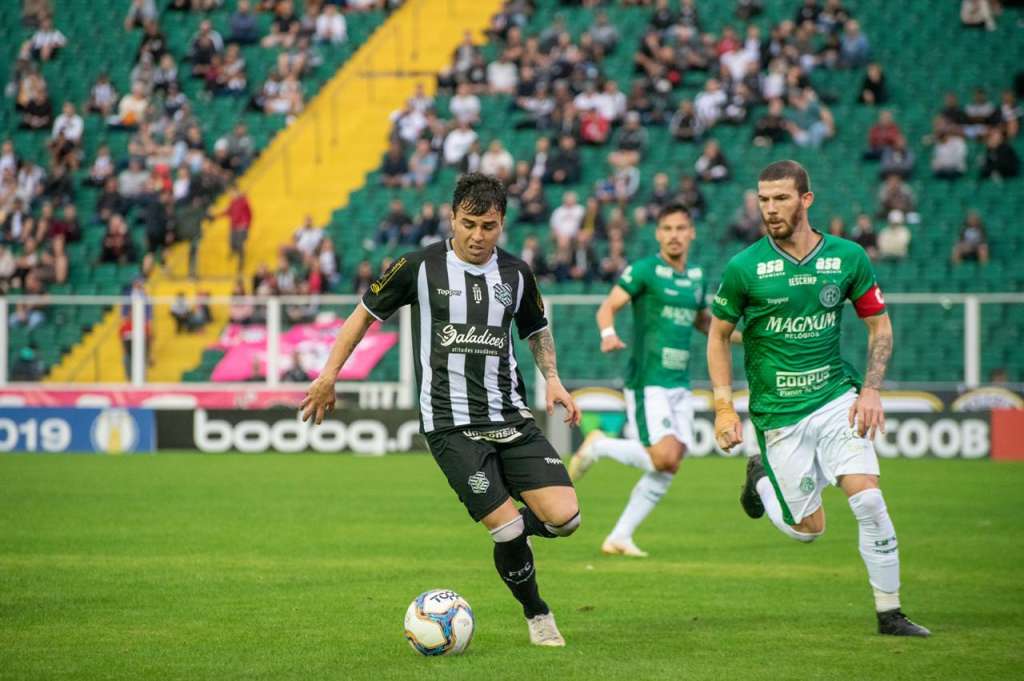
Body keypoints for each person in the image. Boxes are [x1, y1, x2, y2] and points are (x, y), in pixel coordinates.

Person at [301, 173, 582, 647]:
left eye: (488, 226)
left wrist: (552, 377)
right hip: (451, 426)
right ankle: (537, 614)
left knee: (566, 519)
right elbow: (362, 315)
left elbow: (536, 329)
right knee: (508, 528)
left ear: (502, 224)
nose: (477, 235)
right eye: (468, 223)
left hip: (510, 417)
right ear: (451, 218)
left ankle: (519, 542)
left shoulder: (516, 274)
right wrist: (330, 374)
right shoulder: (417, 266)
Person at [707, 160, 930, 637]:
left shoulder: (848, 258)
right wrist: (724, 406)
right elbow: (718, 335)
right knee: (807, 530)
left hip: (835, 398)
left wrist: (870, 390)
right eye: (763, 199)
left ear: (806, 200)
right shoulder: (744, 268)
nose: (770, 209)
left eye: (781, 198)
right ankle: (761, 479)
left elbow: (879, 325)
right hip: (777, 414)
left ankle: (889, 613)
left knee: (869, 500)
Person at [567, 204, 738, 557]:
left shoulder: (696, 276)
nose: (674, 235)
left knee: (671, 462)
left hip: (679, 382)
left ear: (692, 233)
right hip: (649, 380)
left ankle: (620, 537)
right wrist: (608, 333)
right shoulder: (644, 271)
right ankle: (599, 445)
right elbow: (607, 307)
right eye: (667, 228)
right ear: (658, 233)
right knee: (663, 457)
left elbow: (706, 324)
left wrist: (747, 336)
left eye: (680, 228)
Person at [215, 185, 252, 272]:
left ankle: (241, 261)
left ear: (237, 192)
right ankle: (234, 253)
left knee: (239, 244)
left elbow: (250, 214)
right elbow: (228, 212)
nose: (231, 194)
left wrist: (246, 224)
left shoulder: (244, 201)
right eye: (230, 193)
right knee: (232, 243)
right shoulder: (232, 202)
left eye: (233, 192)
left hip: (242, 226)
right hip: (233, 226)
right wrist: (217, 216)